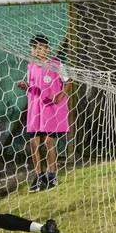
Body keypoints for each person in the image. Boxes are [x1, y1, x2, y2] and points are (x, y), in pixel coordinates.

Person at [16, 34, 70, 192]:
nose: (40, 50)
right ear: (31, 50)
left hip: (49, 110)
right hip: (35, 110)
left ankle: (52, 175)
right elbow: (33, 87)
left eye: (43, 47)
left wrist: (59, 96)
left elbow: (68, 82)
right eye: (36, 48)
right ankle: (39, 177)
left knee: (48, 142)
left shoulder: (56, 64)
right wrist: (25, 86)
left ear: (47, 49)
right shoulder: (31, 66)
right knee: (34, 143)